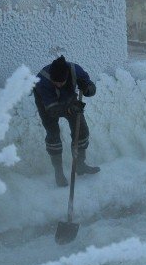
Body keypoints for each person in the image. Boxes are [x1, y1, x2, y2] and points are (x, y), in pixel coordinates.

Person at [33, 55, 99, 187]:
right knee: (53, 134)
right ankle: (58, 172)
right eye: (55, 82)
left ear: (67, 76)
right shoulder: (42, 80)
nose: (58, 84)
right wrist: (70, 110)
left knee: (82, 131)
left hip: (68, 98)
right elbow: (52, 111)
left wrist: (87, 88)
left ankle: (80, 165)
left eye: (60, 82)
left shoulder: (76, 71)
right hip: (46, 102)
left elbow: (91, 88)